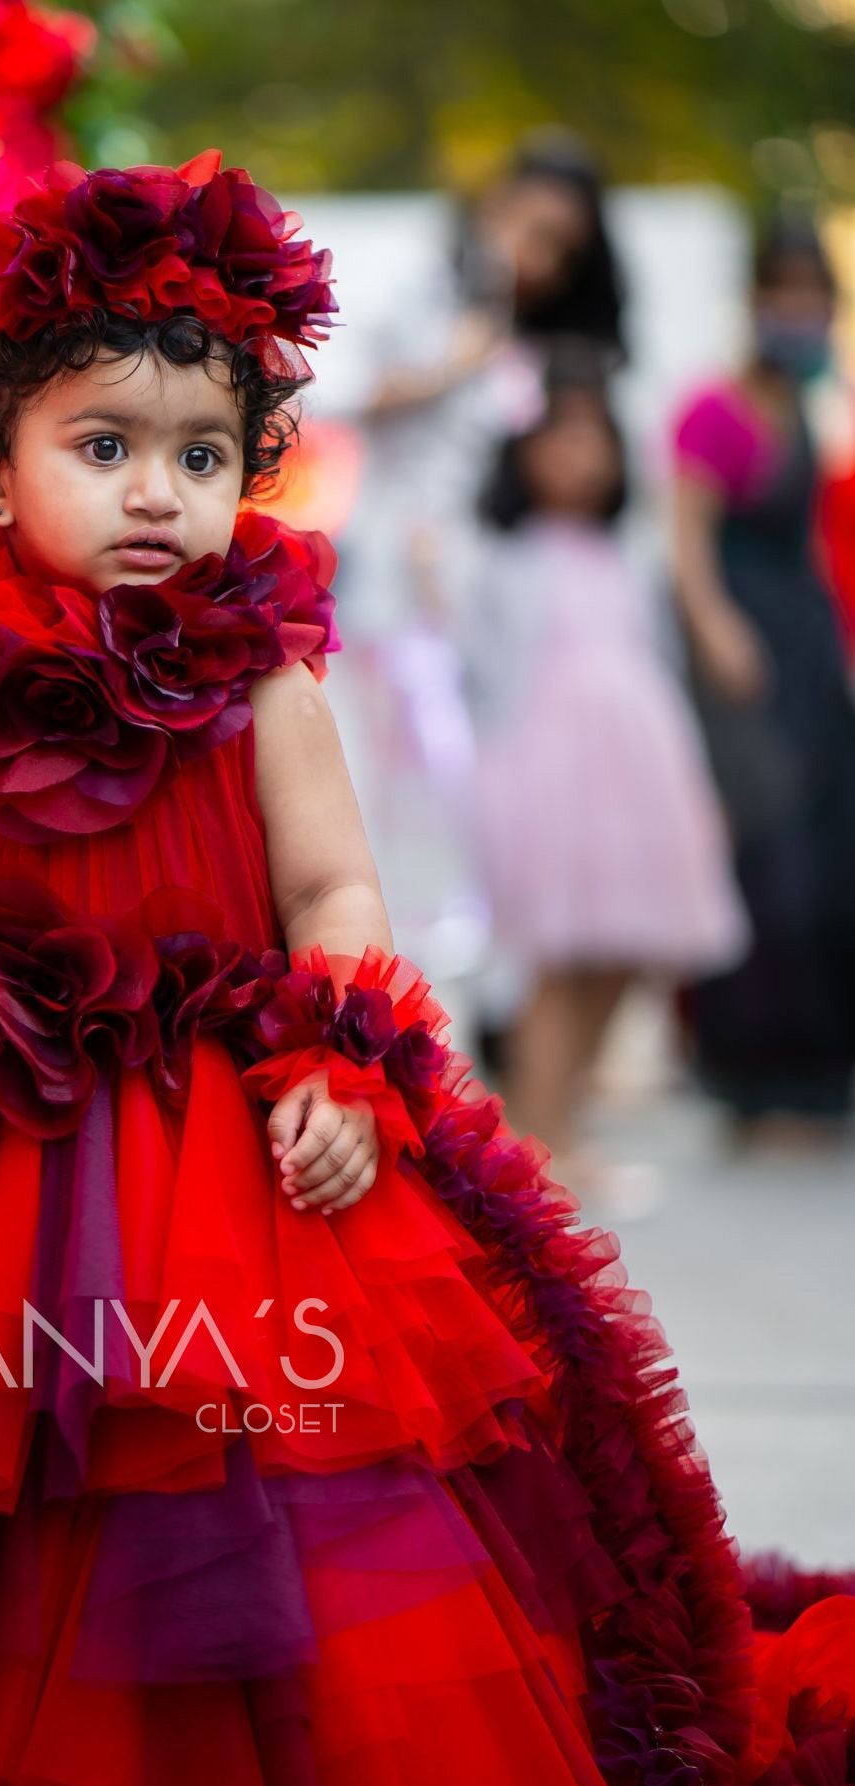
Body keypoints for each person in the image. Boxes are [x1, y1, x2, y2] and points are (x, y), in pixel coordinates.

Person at [0, 154, 855, 1786]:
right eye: (104, 448)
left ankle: (243, 1751)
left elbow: (335, 900)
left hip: (217, 1137)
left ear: (251, 472)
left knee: (228, 1467)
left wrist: (342, 1061)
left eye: (201, 456)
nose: (158, 494)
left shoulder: (261, 682)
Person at [340, 131, 629, 1021]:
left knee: (473, 826)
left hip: (489, 614)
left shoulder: (540, 350)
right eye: (529, 229)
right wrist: (456, 362)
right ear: (494, 207)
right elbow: (345, 389)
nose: (536, 259)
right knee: (399, 818)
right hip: (395, 601)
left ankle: (470, 1035)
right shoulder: (423, 292)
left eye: (560, 248)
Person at [464, 357, 749, 1202]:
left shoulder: (625, 561)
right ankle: (535, 1144)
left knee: (624, 954)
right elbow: (490, 686)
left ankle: (567, 1122)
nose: (582, 455)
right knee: (561, 959)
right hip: (555, 787)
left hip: (640, 783)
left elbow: (656, 665)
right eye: (562, 435)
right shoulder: (508, 563)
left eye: (597, 437)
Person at [668, 215, 855, 1144]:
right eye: (785, 293)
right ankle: (755, 1080)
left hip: (811, 649)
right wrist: (718, 634)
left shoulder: (807, 408)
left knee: (829, 857)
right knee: (769, 858)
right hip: (742, 650)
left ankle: (822, 1080)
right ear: (755, 301)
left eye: (813, 295)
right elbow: (687, 544)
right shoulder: (715, 409)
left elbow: (813, 547)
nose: (800, 312)